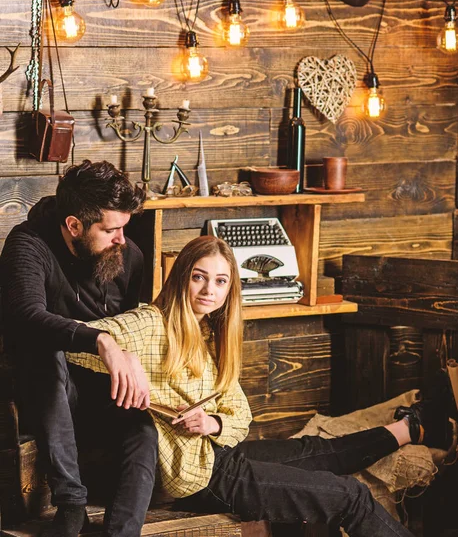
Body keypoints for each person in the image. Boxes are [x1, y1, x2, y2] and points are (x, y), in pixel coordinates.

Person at [66, 235, 453, 537]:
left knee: (319, 450)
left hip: (220, 451)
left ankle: (408, 428)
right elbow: (71, 343)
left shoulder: (211, 333)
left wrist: (212, 423)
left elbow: (240, 416)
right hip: (206, 477)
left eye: (220, 281)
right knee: (352, 496)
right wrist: (115, 352)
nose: (208, 291)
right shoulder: (149, 324)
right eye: (199, 277)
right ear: (181, 275)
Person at [0, 160, 158, 537]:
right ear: (74, 225)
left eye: (125, 226)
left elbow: (133, 323)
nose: (122, 238)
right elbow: (25, 315)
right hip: (47, 389)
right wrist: (101, 340)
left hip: (100, 389)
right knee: (44, 351)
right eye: (111, 229)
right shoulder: (28, 245)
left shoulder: (128, 255)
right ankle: (71, 504)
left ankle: (121, 533)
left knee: (143, 431)